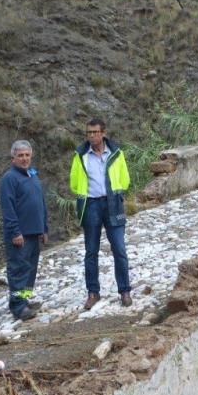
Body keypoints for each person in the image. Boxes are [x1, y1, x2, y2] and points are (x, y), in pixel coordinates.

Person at [70, 118, 132, 310]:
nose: (92, 135)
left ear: (103, 133)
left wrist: (117, 192)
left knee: (119, 249)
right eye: (89, 132)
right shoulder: (80, 156)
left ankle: (125, 291)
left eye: (95, 132)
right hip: (91, 206)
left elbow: (124, 178)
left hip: (113, 203)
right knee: (91, 251)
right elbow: (73, 182)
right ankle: (93, 292)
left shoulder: (116, 153)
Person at [0, 140, 48, 321]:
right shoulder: (9, 179)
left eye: (27, 155)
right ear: (13, 158)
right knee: (18, 270)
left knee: (30, 270)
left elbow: (41, 203)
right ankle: (18, 307)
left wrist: (44, 228)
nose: (24, 158)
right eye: (20, 155)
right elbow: (8, 209)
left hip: (35, 232)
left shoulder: (32, 175)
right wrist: (15, 232)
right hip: (20, 235)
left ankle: (25, 300)